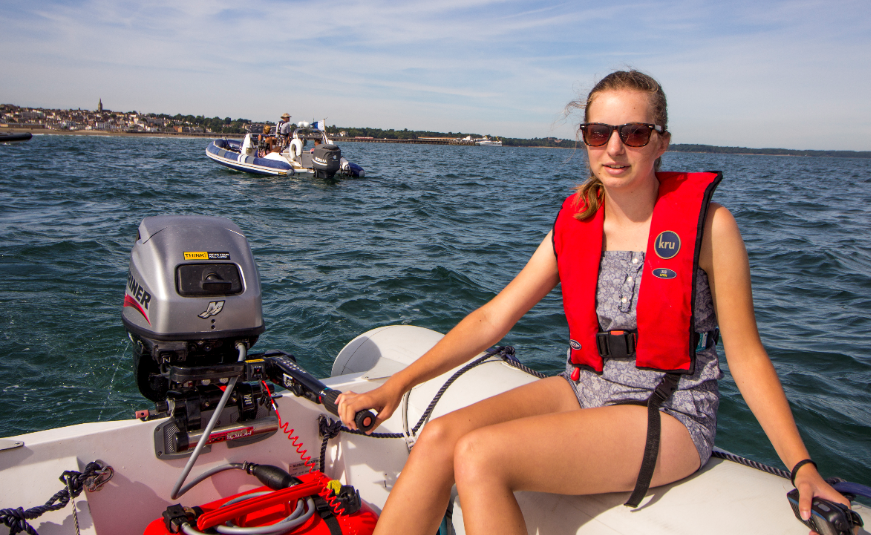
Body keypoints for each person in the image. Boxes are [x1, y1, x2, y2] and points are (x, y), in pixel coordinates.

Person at [336, 69, 852, 535]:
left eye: (634, 134)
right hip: (586, 385)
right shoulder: (576, 222)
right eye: (599, 133)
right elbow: (495, 315)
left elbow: (745, 354)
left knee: (481, 456)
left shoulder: (710, 228)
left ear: (661, 143)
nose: (614, 149)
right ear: (585, 139)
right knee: (440, 436)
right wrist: (399, 385)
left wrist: (802, 466)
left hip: (670, 410)